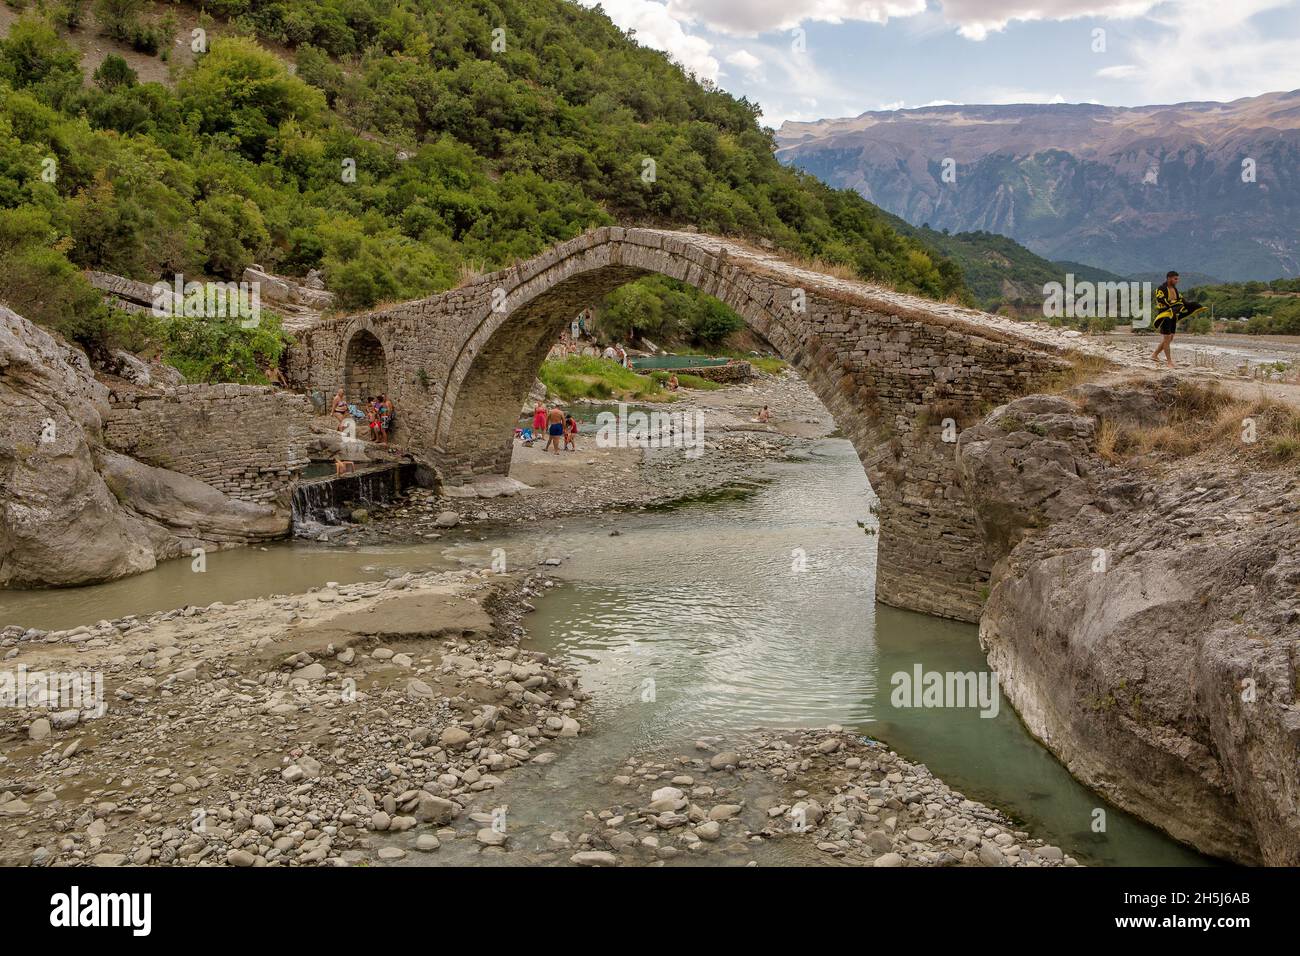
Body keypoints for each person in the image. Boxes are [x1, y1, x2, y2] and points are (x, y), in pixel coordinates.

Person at [1150, 271, 1205, 368]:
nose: (1177, 281)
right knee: (1167, 339)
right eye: (1175, 279)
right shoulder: (1161, 289)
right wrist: (1176, 303)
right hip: (1165, 316)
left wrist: (1196, 306)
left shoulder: (1175, 290)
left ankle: (1154, 355)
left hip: (1174, 316)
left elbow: (1184, 302)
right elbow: (1163, 301)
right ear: (1169, 278)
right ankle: (1169, 362)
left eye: (1177, 279)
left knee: (1170, 338)